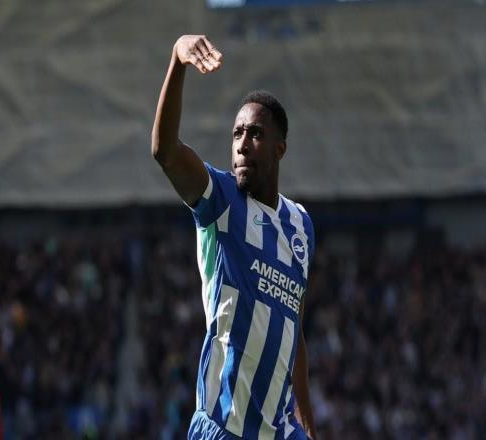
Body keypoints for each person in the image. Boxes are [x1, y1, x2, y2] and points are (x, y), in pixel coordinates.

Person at [152, 35, 317, 440]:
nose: (242, 145)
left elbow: (292, 328)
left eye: (255, 134)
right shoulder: (221, 200)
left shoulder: (300, 225)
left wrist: (308, 424)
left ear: (279, 149)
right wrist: (177, 58)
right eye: (237, 133)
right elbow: (165, 152)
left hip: (280, 431)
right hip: (224, 427)